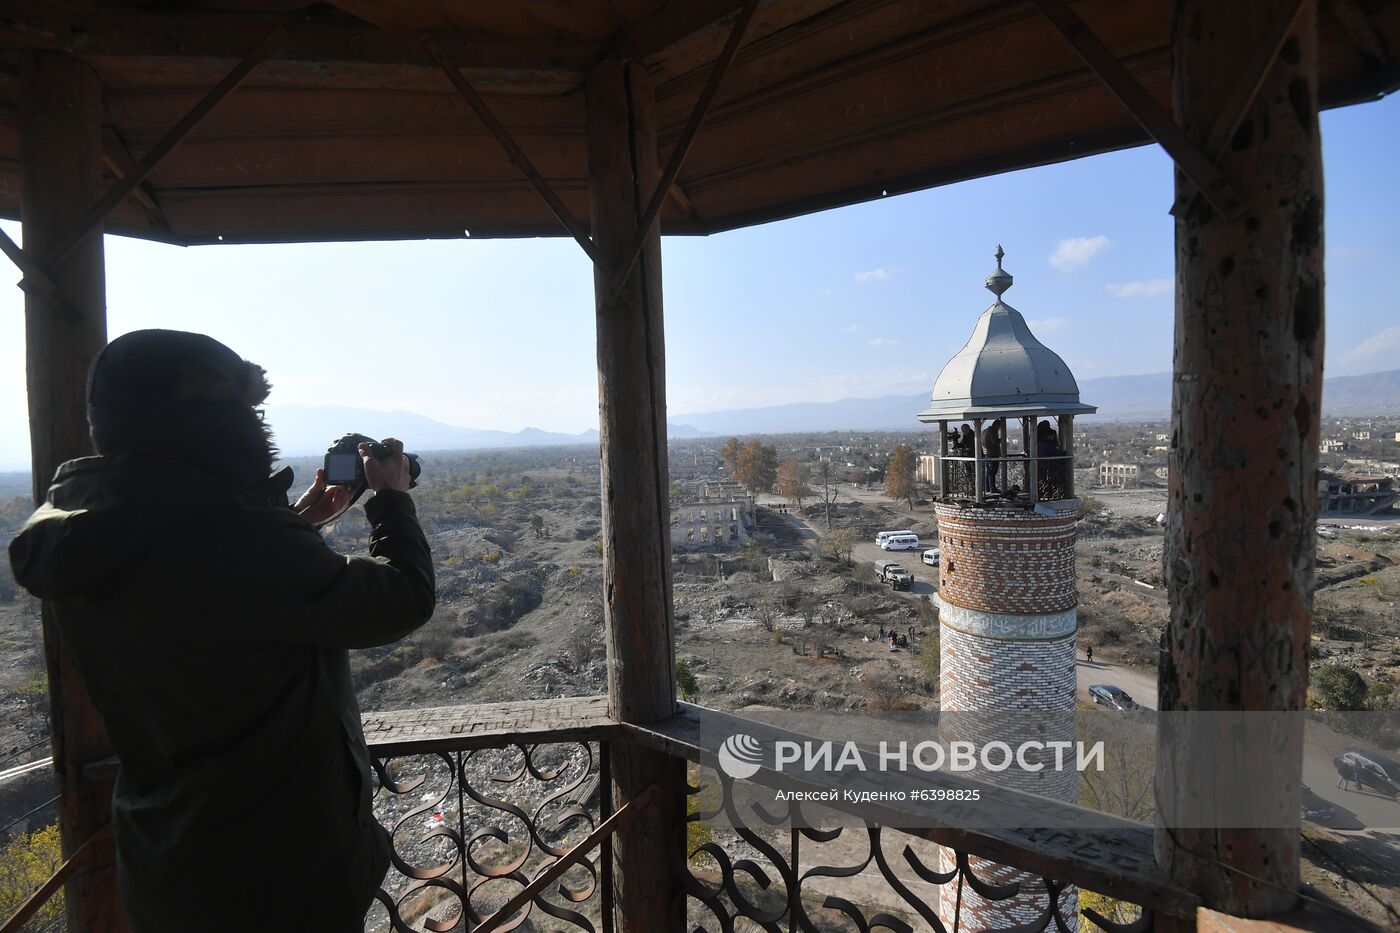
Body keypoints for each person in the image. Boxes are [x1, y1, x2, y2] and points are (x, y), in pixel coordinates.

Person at [7, 330, 436, 933]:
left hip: (168, 858)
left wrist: (288, 522)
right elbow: (402, 599)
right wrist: (391, 498)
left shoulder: (83, 528)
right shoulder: (239, 541)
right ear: (218, 421)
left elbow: (200, 587)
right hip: (275, 871)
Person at [982, 421, 1003, 492]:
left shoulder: (985, 431)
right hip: (993, 454)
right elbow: (995, 442)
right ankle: (992, 488)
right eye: (1000, 427)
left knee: (989, 472)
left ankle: (987, 488)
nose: (1000, 429)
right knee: (992, 472)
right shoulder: (993, 431)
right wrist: (1001, 440)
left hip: (986, 454)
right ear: (997, 426)